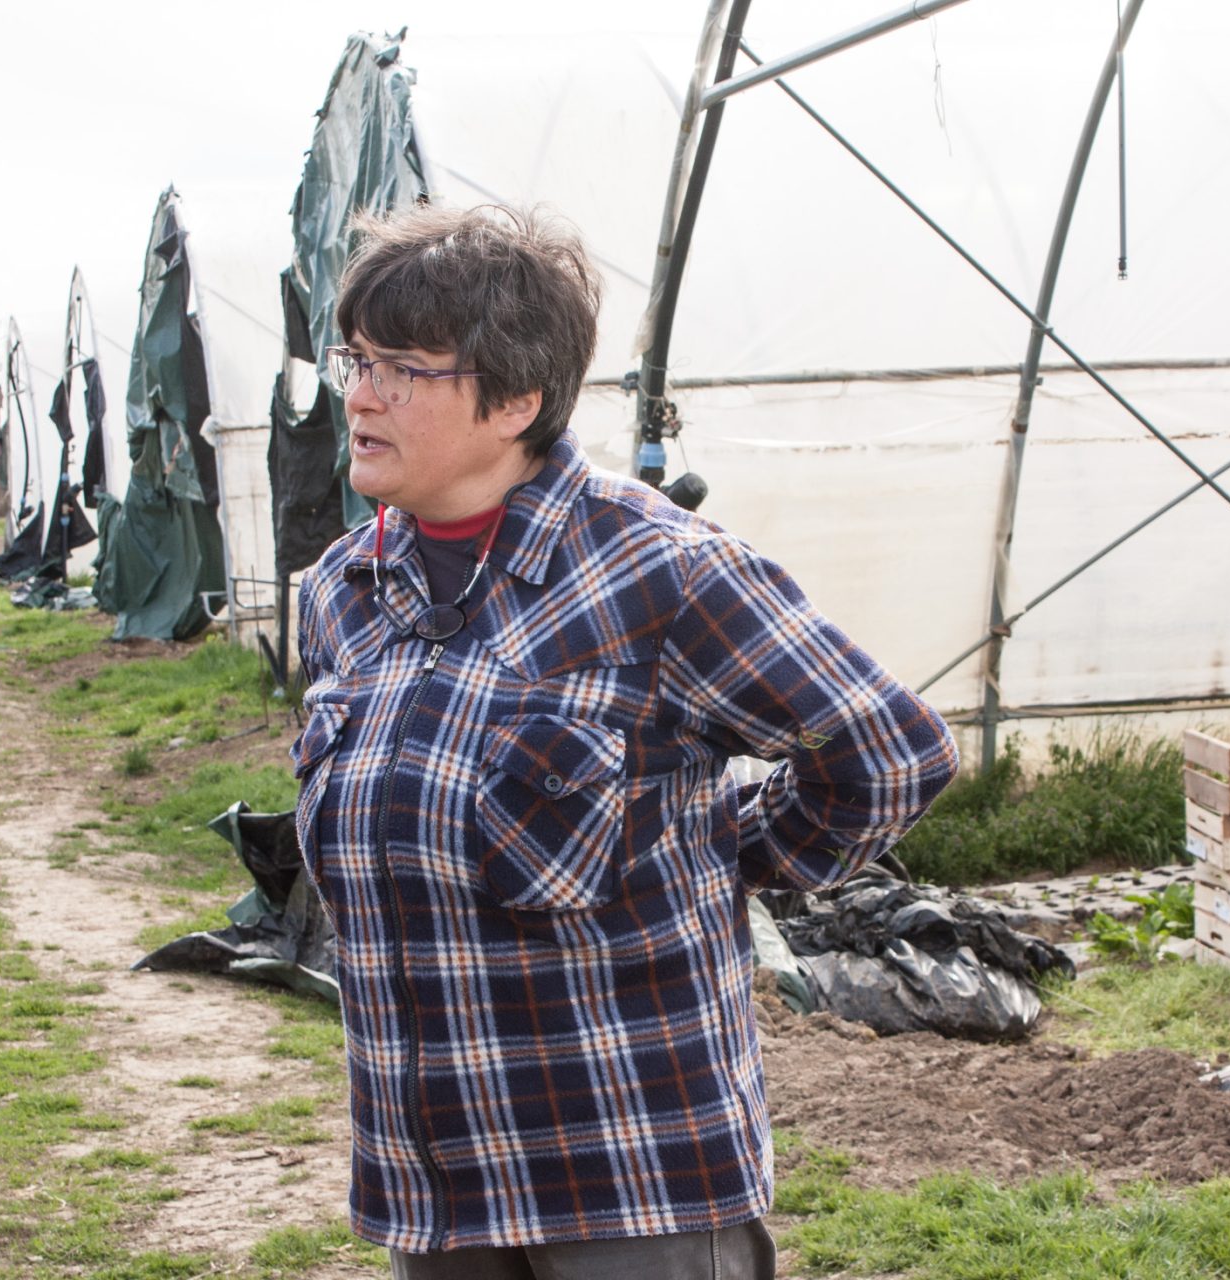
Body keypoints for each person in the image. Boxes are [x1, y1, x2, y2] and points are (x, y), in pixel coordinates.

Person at [292, 205, 959, 1279]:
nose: (361, 396)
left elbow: (888, 751)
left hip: (628, 1164)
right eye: (356, 360)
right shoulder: (346, 588)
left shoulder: (658, 572)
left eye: (404, 370)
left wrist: (734, 853)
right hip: (437, 1180)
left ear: (516, 400)